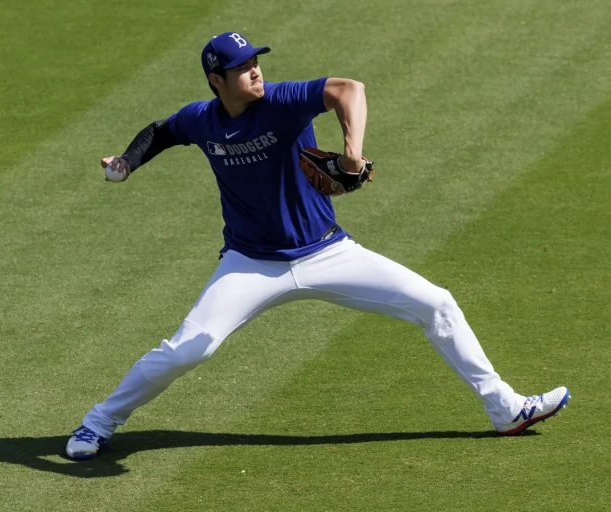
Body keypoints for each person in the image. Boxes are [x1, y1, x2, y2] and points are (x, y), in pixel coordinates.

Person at [66, 32, 569, 460]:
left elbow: (350, 89)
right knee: (186, 351)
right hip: (250, 264)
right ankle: (99, 421)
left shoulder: (283, 103)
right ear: (217, 80)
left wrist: (352, 151)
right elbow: (163, 130)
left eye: (256, 62)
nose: (255, 73)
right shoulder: (203, 119)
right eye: (242, 69)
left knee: (435, 302)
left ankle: (506, 410)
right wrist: (128, 162)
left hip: (329, 253)